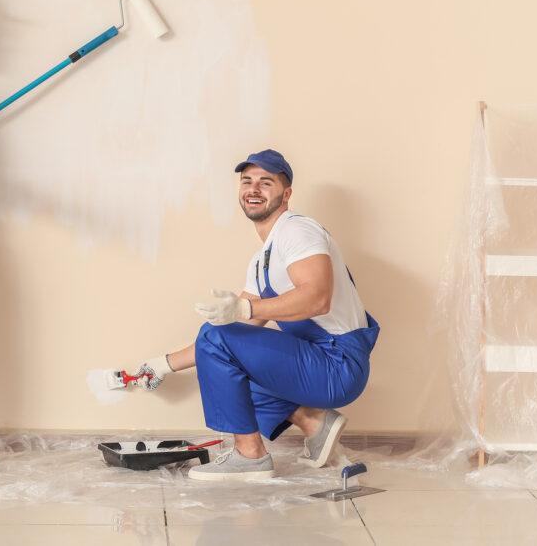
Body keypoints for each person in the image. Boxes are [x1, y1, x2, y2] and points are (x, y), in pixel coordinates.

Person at [132, 149, 380, 480]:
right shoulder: (262, 260)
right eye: (247, 181)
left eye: (266, 182)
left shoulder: (297, 231)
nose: (254, 188)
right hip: (319, 362)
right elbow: (234, 331)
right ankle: (315, 423)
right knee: (222, 348)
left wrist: (246, 306)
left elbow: (318, 298)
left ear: (286, 193)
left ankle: (250, 456)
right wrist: (164, 364)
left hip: (337, 364)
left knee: (217, 337)